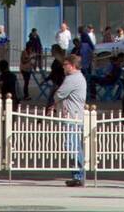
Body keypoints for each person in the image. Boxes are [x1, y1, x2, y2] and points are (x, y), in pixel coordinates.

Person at [55, 54, 90, 187]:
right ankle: (77, 175)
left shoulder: (73, 79)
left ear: (72, 65)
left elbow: (59, 94)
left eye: (65, 64)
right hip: (73, 116)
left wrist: (56, 100)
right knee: (74, 146)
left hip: (72, 117)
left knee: (72, 146)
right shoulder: (76, 77)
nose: (63, 67)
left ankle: (79, 175)